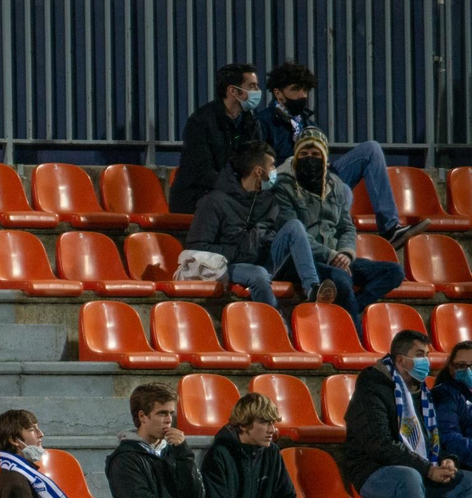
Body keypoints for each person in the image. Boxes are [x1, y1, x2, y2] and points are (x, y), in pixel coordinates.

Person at [256, 61, 428, 248]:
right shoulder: (263, 122)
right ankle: (330, 242)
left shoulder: (307, 122)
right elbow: (263, 165)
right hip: (290, 183)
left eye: (305, 90)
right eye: (296, 89)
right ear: (278, 93)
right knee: (343, 191)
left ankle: (390, 228)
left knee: (371, 149)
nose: (302, 96)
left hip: (319, 177)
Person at [271, 128, 404, 328]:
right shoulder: (283, 187)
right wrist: (331, 255)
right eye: (304, 154)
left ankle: (350, 307)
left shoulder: (338, 187)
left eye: (315, 154)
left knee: (394, 272)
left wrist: (345, 254)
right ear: (296, 156)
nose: (310, 158)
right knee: (341, 278)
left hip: (336, 258)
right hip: (299, 261)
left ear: (325, 158)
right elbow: (293, 233)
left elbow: (346, 227)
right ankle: (354, 337)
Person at [183, 140, 336, 309]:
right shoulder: (214, 201)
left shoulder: (267, 199)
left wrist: (264, 240)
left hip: (261, 258)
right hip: (229, 265)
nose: (274, 171)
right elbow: (196, 247)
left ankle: (313, 288)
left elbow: (271, 232)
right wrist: (238, 250)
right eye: (271, 166)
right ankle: (277, 325)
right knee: (259, 274)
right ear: (258, 171)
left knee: (294, 226)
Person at [344, 330, 472, 498]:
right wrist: (427, 470)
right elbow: (379, 444)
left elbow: (427, 439)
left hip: (418, 466)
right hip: (373, 470)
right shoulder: (372, 388)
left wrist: (448, 459)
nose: (426, 362)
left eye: (427, 355)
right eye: (420, 355)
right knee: (409, 476)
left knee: (469, 483)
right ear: (401, 360)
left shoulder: (420, 393)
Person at [169, 63, 264, 215]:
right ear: (233, 90)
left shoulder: (251, 123)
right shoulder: (201, 121)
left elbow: (258, 159)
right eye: (252, 86)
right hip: (198, 196)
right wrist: (238, 188)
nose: (258, 92)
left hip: (235, 195)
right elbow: (203, 171)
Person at [431, 341, 472, 462]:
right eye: (461, 366)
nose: (468, 371)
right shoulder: (445, 394)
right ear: (451, 368)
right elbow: (448, 437)